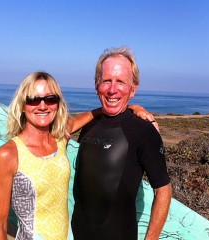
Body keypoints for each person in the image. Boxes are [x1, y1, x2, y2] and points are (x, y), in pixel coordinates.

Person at [0, 71, 156, 240]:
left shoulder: (59, 138)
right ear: (23, 105)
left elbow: (83, 118)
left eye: (50, 99)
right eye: (33, 99)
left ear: (57, 104)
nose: (42, 106)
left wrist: (131, 108)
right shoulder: (8, 155)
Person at [72, 47, 172, 240]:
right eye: (106, 81)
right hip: (79, 234)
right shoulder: (88, 124)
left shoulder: (144, 132)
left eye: (120, 82)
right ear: (96, 85)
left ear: (133, 89)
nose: (112, 89)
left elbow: (163, 189)